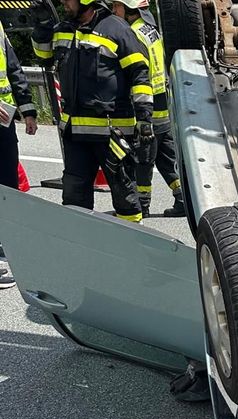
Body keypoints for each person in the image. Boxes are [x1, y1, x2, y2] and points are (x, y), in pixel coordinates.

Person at [32, 0, 153, 223]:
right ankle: (80, 249)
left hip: (112, 134)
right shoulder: (62, 30)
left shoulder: (116, 29)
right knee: (74, 198)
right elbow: (43, 56)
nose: (63, 3)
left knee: (124, 194)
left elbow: (140, 74)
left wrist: (144, 117)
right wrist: (43, 24)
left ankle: (131, 245)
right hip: (75, 134)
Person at [112, 0, 185, 217]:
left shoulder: (132, 34)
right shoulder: (151, 30)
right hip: (163, 105)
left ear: (129, 8)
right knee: (166, 157)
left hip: (145, 107)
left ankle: (141, 204)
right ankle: (182, 199)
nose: (114, 11)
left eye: (117, 6)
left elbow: (136, 72)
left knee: (142, 159)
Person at [0, 19, 38, 289]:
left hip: (4, 121)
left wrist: (28, 110)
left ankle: (5, 241)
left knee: (8, 185)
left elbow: (13, 69)